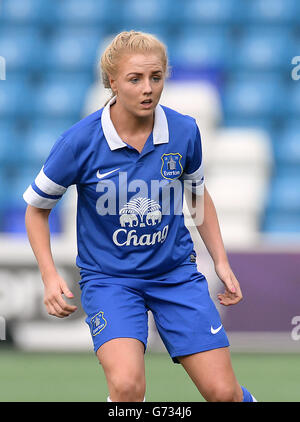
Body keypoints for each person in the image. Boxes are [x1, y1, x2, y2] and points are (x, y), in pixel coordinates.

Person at [23, 30, 257, 402]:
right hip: (110, 281)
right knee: (127, 388)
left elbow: (197, 195)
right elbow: (36, 210)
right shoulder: (78, 142)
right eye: (135, 79)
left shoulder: (184, 131)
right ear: (112, 82)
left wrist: (222, 261)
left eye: (156, 77)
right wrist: (50, 278)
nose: (148, 88)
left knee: (223, 394)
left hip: (175, 275)